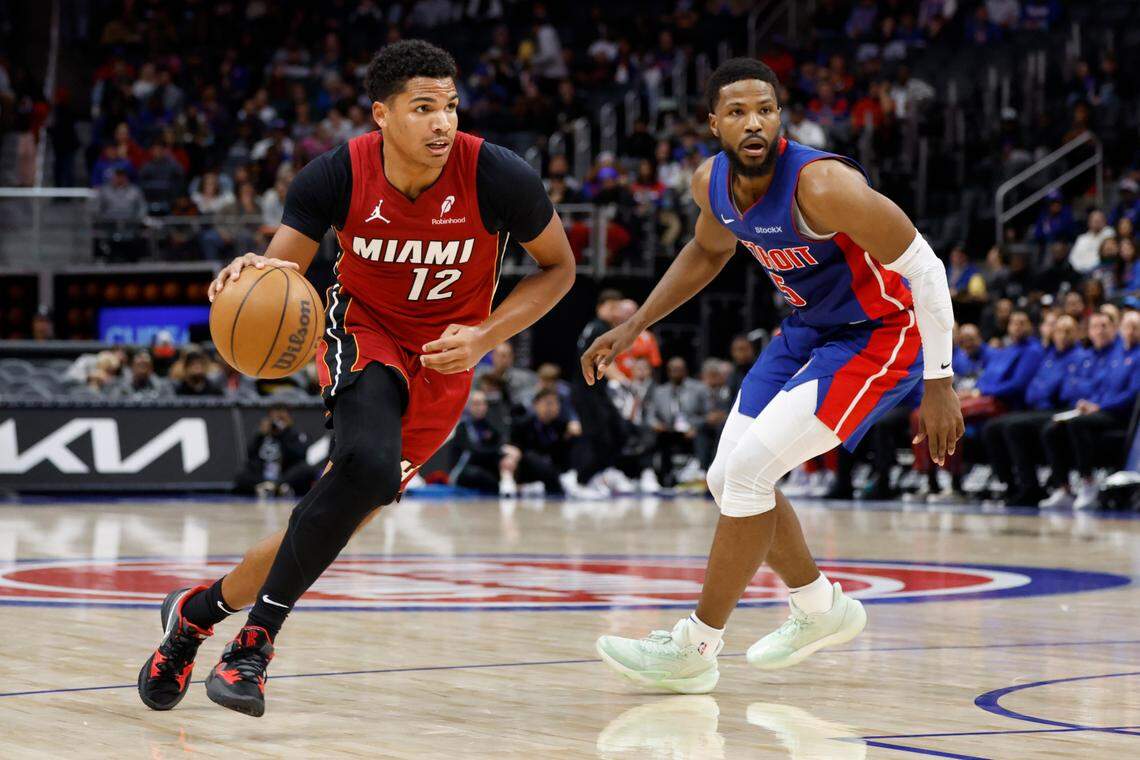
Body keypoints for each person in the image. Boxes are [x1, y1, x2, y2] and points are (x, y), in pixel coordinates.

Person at [137, 40, 575, 717]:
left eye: (451, 107)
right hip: (362, 330)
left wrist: (488, 335)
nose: (442, 123)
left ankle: (195, 615)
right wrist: (253, 270)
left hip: (447, 360)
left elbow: (559, 268)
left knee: (335, 513)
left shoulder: (497, 175)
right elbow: (284, 271)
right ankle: (253, 647)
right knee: (365, 467)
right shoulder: (335, 175)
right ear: (383, 114)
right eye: (424, 108)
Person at [582, 58, 962, 693]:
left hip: (882, 335)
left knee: (752, 473)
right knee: (725, 477)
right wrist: (635, 323)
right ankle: (819, 608)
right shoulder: (713, 184)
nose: (753, 122)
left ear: (781, 117)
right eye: (737, 112)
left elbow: (925, 269)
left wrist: (939, 379)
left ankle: (696, 646)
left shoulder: (823, 186)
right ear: (713, 124)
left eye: (765, 109)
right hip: (809, 327)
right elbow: (707, 249)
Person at [234, 404, 316, 497]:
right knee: (241, 475)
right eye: (274, 418)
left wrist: (284, 433)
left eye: (281, 418)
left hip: (284, 474)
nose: (277, 422)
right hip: (262, 474)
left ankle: (274, 486)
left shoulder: (295, 434)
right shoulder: (262, 435)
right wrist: (260, 435)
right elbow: (250, 455)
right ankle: (272, 488)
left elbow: (300, 455)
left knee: (305, 469)